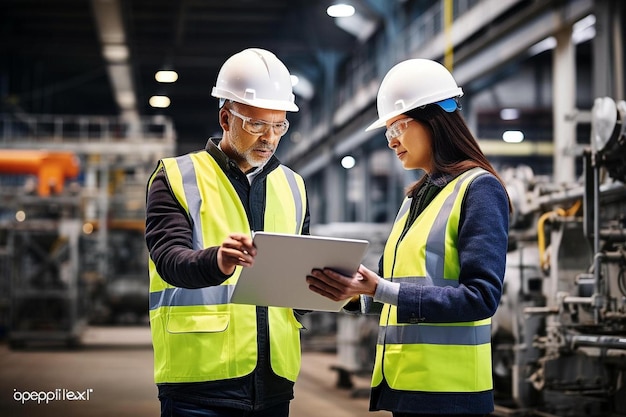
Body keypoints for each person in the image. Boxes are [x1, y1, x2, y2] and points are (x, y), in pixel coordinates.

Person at [306, 58, 511, 417]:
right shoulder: (414, 197)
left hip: (451, 392)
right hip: (406, 383)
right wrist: (355, 295)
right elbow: (390, 287)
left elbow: (481, 298)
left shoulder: (479, 190)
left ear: (434, 119)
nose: (391, 141)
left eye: (398, 127)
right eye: (388, 131)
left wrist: (379, 289)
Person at [145, 48, 309, 417]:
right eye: (256, 125)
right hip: (199, 384)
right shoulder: (175, 177)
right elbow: (170, 260)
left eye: (279, 125)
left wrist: (333, 287)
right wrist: (217, 260)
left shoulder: (294, 186)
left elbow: (297, 287)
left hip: (275, 382)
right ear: (225, 117)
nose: (269, 137)